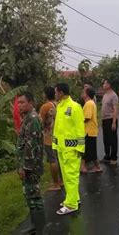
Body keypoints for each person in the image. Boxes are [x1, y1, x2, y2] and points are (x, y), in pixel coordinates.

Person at [53, 83, 85, 215]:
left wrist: (80, 148)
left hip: (72, 149)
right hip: (61, 148)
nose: (55, 94)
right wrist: (55, 145)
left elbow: (80, 129)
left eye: (56, 92)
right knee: (66, 176)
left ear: (60, 92)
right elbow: (58, 128)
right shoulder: (60, 106)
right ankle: (73, 198)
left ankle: (71, 204)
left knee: (71, 176)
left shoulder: (74, 107)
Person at [17, 92, 46, 234]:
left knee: (35, 198)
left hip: (31, 167)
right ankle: (35, 225)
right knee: (30, 197)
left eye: (22, 102)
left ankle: (40, 229)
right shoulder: (27, 119)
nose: (19, 106)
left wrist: (25, 167)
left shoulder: (33, 120)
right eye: (18, 103)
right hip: (29, 166)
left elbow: (31, 146)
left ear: (31, 103)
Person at [39, 86, 61, 191]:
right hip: (59, 135)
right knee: (59, 159)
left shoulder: (45, 107)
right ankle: (61, 181)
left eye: (43, 93)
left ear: (46, 94)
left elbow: (40, 122)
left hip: (49, 136)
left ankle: (56, 183)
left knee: (52, 160)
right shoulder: (58, 104)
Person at [80, 86, 102, 174]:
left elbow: (87, 118)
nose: (82, 93)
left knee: (87, 150)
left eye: (84, 92)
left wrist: (78, 121)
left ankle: (84, 167)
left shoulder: (89, 103)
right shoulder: (90, 103)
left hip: (89, 131)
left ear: (87, 94)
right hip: (90, 131)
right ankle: (96, 167)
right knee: (91, 150)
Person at [100, 79, 119, 166]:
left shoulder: (113, 95)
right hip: (104, 120)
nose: (103, 85)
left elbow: (115, 109)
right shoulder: (105, 95)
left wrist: (114, 122)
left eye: (104, 83)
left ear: (109, 85)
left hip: (111, 119)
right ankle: (107, 156)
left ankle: (114, 157)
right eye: (103, 83)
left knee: (113, 140)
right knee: (106, 139)